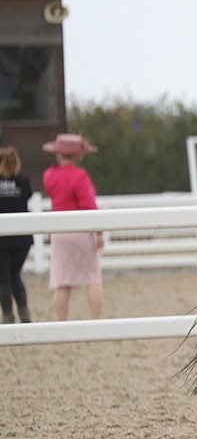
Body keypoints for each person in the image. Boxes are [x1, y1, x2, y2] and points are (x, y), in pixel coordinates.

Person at [42, 134, 104, 319]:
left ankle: (62, 323)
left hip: (59, 232)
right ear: (77, 154)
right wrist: (98, 232)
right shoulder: (80, 176)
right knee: (92, 278)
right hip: (81, 232)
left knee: (61, 282)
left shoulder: (49, 175)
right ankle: (95, 321)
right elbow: (90, 206)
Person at [0, 146, 34, 324]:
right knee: (15, 275)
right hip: (22, 237)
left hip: (2, 239)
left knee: (3, 279)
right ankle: (24, 311)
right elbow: (27, 197)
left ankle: (7, 315)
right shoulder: (23, 180)